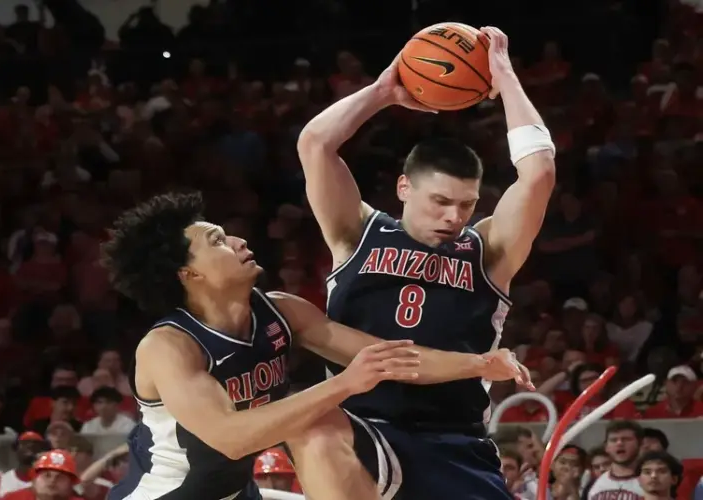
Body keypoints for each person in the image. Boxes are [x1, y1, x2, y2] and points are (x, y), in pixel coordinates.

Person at [102, 192, 523, 500]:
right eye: (217, 241)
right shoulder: (170, 346)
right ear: (187, 275)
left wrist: (480, 362)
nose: (238, 242)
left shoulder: (282, 311)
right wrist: (345, 385)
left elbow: (389, 357)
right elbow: (229, 438)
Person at [291, 26, 553, 499]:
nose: (454, 216)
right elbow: (315, 144)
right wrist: (382, 92)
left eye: (467, 205)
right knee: (315, 428)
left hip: (456, 439)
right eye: (440, 201)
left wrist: (505, 77)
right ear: (403, 187)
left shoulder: (487, 251)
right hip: (365, 429)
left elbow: (538, 175)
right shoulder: (357, 232)